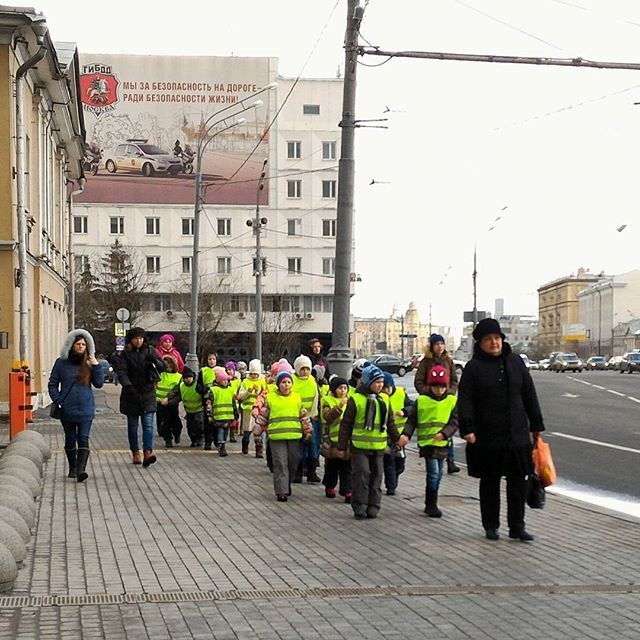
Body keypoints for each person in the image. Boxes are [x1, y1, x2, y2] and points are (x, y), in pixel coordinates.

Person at [457, 318, 545, 542]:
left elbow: (529, 394)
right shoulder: (473, 368)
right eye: (489, 339)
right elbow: (465, 400)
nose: (494, 343)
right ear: (480, 343)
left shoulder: (515, 362)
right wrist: (468, 429)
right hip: (486, 436)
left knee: (518, 482)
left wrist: (536, 426)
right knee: (490, 483)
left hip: (516, 434)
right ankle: (491, 525)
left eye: (497, 338)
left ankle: (517, 527)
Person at [337, 364, 401, 520]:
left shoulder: (384, 400)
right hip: (359, 447)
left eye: (381, 382)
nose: (380, 385)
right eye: (376, 382)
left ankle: (374, 505)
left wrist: (397, 439)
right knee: (362, 475)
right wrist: (342, 446)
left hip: (379, 447)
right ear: (366, 382)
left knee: (377, 477)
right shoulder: (356, 400)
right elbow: (346, 424)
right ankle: (359, 505)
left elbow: (390, 422)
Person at [399, 364, 458, 517]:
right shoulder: (422, 401)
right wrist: (406, 435)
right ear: (430, 386)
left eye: (442, 387)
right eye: (436, 387)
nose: (439, 390)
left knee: (438, 474)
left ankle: (432, 499)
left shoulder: (451, 401)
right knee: (433, 473)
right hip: (427, 444)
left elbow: (455, 421)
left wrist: (445, 434)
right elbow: (412, 420)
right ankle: (431, 504)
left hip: (442, 443)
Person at [48, 329, 104, 482]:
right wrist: (58, 400)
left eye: (84, 344)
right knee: (70, 439)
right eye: (78, 344)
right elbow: (53, 384)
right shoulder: (61, 363)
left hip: (86, 408)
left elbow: (99, 384)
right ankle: (73, 467)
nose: (81, 347)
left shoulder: (89, 363)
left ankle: (81, 470)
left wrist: (96, 365)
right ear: (71, 345)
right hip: (67, 408)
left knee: (83, 438)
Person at [254, 370, 312, 502]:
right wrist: (257, 433)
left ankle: (287, 483)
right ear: (278, 384)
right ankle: (281, 490)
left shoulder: (297, 398)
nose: (286, 385)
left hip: (294, 436)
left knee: (293, 462)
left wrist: (308, 430)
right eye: (283, 382)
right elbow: (263, 416)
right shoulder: (271, 398)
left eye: (289, 382)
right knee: (280, 463)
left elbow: (303, 416)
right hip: (276, 437)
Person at [114, 327, 166, 467]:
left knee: (148, 425)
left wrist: (154, 361)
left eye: (141, 338)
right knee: (133, 426)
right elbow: (122, 372)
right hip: (131, 394)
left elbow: (163, 366)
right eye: (136, 338)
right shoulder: (125, 354)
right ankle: (135, 452)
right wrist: (128, 386)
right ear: (131, 339)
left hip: (148, 392)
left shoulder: (150, 351)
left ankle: (148, 452)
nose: (139, 341)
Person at [414, 333, 461, 474]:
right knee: (435, 431)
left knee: (448, 430)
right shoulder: (426, 362)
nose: (440, 346)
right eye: (437, 344)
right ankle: (433, 455)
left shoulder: (448, 360)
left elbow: (453, 379)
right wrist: (428, 392)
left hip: (446, 400)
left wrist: (450, 392)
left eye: (442, 343)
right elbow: (418, 381)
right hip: (431, 402)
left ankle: (450, 461)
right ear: (432, 346)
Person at [320, 376, 352, 502]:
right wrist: (339, 407)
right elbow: (327, 417)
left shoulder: (351, 401)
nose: (343, 391)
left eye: (345, 388)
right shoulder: (327, 400)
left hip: (347, 439)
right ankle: (330, 485)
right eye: (340, 388)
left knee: (347, 466)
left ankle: (347, 490)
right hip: (332, 439)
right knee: (332, 466)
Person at [381, 372, 412, 496]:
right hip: (386, 436)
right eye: (383, 387)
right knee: (389, 462)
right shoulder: (380, 397)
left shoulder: (400, 393)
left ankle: (394, 478)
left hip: (399, 436)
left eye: (387, 387)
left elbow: (412, 406)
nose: (385, 390)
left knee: (400, 463)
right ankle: (391, 487)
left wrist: (405, 412)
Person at [292, 355, 320, 483]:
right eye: (302, 369)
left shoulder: (312, 381)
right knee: (299, 445)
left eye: (307, 369)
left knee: (312, 444)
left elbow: (316, 399)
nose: (305, 372)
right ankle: (298, 471)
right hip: (297, 418)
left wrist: (314, 414)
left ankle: (312, 471)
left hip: (311, 417)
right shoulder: (292, 381)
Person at [167, 367, 205, 447]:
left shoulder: (197, 385)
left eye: (190, 377)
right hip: (189, 411)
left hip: (199, 409)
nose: (188, 379)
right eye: (186, 377)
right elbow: (178, 397)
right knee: (190, 427)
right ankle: (193, 440)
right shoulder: (181, 386)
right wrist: (169, 402)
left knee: (199, 424)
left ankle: (200, 438)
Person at [205, 366, 239, 457]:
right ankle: (221, 446)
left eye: (227, 380)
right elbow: (209, 404)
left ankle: (222, 443)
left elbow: (233, 403)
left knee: (225, 433)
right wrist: (209, 415)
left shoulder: (230, 390)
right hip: (218, 416)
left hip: (228, 416)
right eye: (223, 380)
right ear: (219, 381)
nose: (225, 382)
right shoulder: (214, 390)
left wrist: (236, 414)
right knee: (220, 431)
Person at [237, 359, 267, 456]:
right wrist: (248, 392)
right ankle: (245, 443)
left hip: (259, 411)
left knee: (259, 430)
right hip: (248, 410)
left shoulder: (263, 381)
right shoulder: (245, 382)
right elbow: (240, 395)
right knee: (247, 430)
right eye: (252, 373)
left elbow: (265, 395)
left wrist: (259, 392)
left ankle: (259, 449)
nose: (254, 376)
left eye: (256, 374)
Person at [155, 355, 183, 447]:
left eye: (170, 366)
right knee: (165, 423)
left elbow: (178, 391)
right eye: (166, 367)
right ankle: (168, 439)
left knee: (176, 421)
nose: (168, 369)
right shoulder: (160, 374)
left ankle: (176, 434)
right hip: (160, 403)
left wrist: (169, 400)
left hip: (172, 403)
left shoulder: (178, 377)